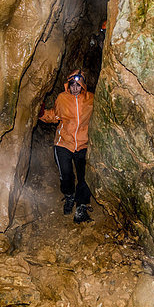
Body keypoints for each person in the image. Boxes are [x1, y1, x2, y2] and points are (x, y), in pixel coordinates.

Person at [39, 70, 94, 223]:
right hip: (63, 142)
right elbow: (55, 115)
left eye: (78, 85)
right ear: (68, 86)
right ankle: (69, 196)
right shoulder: (62, 98)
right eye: (72, 85)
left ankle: (81, 207)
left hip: (83, 143)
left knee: (84, 176)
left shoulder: (90, 99)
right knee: (67, 174)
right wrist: (41, 113)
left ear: (82, 85)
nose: (75, 88)